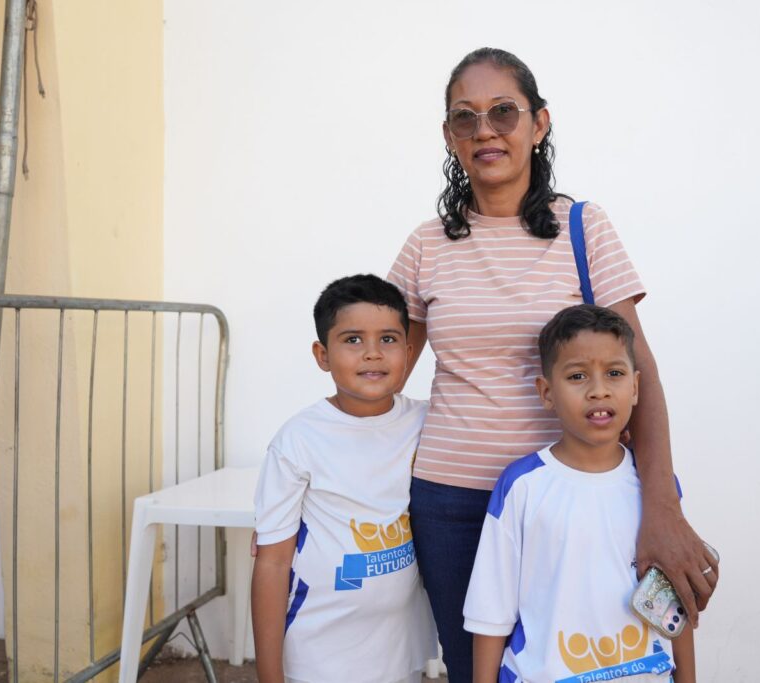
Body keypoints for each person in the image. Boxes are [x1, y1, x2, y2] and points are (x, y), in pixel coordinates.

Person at [388, 47, 719, 683]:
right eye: (465, 117)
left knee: (581, 664)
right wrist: (323, 456)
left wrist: (661, 505)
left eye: (503, 112)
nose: (485, 130)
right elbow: (382, 373)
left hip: (573, 501)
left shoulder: (583, 229)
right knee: (474, 669)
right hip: (452, 504)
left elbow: (640, 372)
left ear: (539, 123)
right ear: (449, 136)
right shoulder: (426, 244)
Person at [463, 304, 695, 683]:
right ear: (546, 392)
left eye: (614, 373)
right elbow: (490, 613)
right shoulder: (522, 486)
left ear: (635, 387)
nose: (598, 390)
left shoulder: (657, 487)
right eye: (577, 376)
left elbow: (676, 604)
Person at [250, 274, 436, 683]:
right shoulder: (298, 441)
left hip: (399, 654)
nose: (372, 353)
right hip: (318, 659)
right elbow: (273, 562)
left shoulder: (427, 422)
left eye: (388, 339)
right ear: (322, 355)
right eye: (353, 339)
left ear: (408, 352)